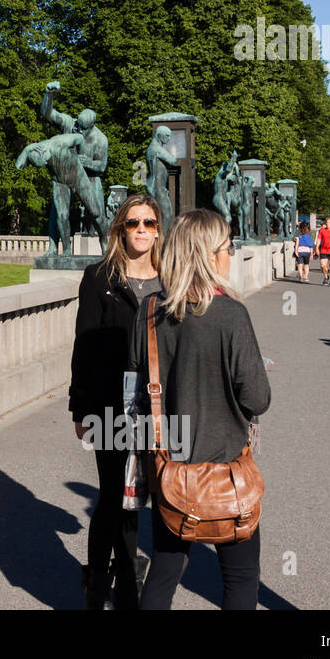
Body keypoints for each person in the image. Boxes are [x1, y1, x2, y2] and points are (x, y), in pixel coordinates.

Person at [131, 210, 271, 610]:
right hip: (226, 468)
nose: (230, 255)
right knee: (241, 578)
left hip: (170, 467)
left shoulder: (149, 311)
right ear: (208, 255)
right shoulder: (230, 315)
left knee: (163, 573)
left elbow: (137, 386)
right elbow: (257, 399)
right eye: (227, 248)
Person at [70, 193, 163, 609]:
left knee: (151, 494)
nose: (141, 230)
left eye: (148, 222)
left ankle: (129, 575)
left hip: (161, 406)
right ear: (119, 230)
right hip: (110, 403)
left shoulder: (172, 278)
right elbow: (84, 345)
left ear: (159, 229)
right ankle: (102, 586)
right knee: (113, 494)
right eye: (132, 223)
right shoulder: (98, 277)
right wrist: (79, 406)